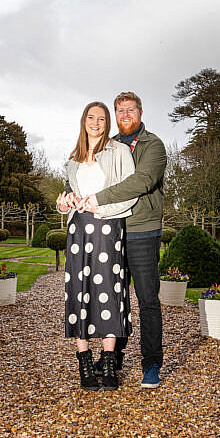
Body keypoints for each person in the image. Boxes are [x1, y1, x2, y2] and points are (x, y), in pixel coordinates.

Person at [81, 91, 167, 389]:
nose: (125, 115)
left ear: (140, 113)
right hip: (111, 229)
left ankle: (152, 364)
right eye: (120, 111)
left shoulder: (153, 145)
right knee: (114, 299)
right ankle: (112, 359)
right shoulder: (108, 145)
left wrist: (100, 198)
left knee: (147, 300)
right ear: (115, 115)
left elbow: (141, 182)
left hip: (142, 229)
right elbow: (91, 176)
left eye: (131, 110)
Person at [55, 101, 138, 391]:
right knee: (80, 293)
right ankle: (85, 363)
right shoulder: (73, 158)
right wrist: (63, 202)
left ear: (107, 123)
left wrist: (102, 208)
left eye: (102, 118)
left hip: (107, 229)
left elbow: (130, 193)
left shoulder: (120, 152)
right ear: (84, 121)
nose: (96, 122)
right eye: (91, 117)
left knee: (109, 293)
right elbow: (70, 194)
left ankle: (110, 362)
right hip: (79, 232)